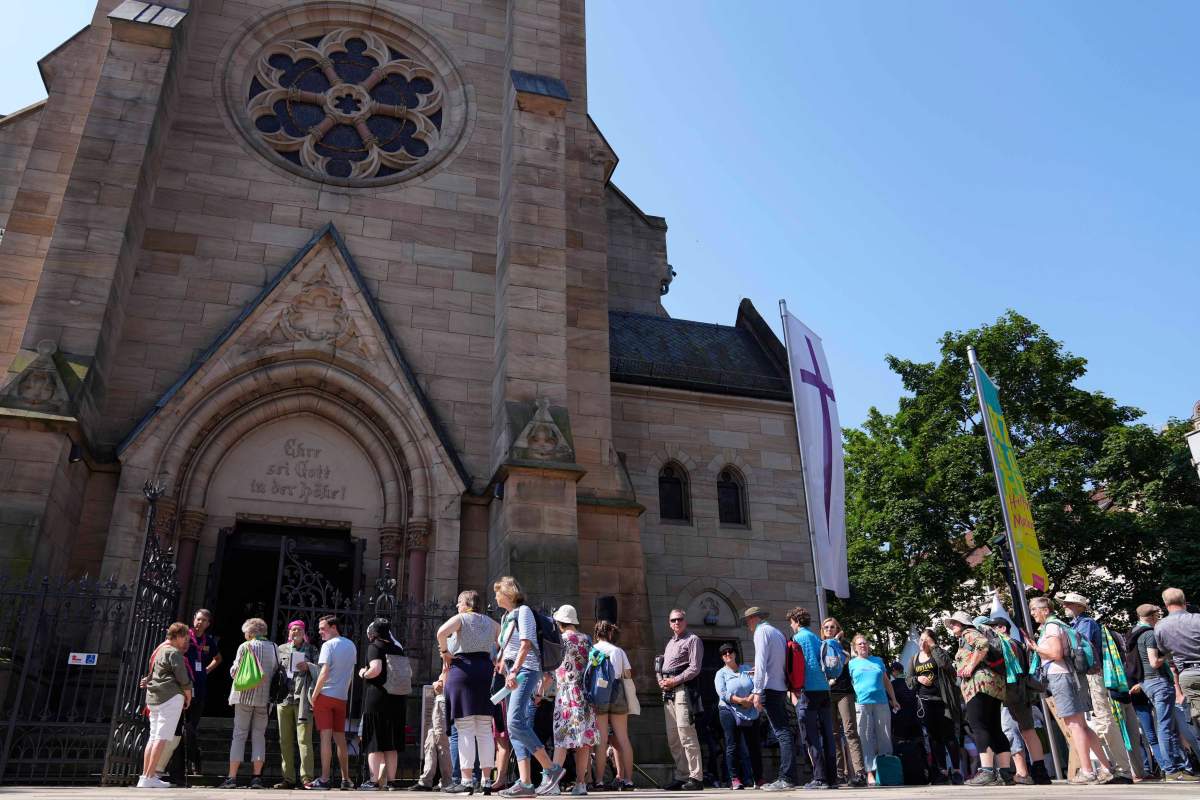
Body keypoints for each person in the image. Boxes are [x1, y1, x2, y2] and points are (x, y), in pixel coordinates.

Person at [1026, 596, 1115, 785]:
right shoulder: (1060, 625)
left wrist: (1036, 648)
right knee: (1081, 725)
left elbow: (1056, 654)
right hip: (1072, 677)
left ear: (1045, 610)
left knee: (1074, 725)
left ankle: (1087, 771)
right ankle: (1105, 768)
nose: (1032, 613)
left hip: (1062, 677)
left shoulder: (1051, 627)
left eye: (1034, 609)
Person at [494, 577, 562, 798]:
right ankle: (525, 783)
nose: (495, 596)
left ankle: (551, 770)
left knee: (515, 722)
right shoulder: (506, 616)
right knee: (515, 728)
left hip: (525, 671)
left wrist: (514, 671)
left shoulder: (523, 612)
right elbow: (510, 646)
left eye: (497, 592)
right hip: (511, 673)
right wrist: (504, 664)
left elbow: (526, 643)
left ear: (507, 593)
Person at [1057, 591, 1135, 782]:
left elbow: (1079, 650)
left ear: (1080, 607)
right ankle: (1115, 768)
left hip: (1093, 676)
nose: (1064, 607)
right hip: (1090, 677)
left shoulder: (1086, 624)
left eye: (1068, 604)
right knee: (1100, 721)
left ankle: (1121, 769)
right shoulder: (1080, 624)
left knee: (1104, 720)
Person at [438, 589, 501, 793]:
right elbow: (504, 641)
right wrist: (499, 660)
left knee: (464, 728)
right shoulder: (491, 623)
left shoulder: (461, 618)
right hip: (485, 671)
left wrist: (445, 652)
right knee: (484, 728)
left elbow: (441, 633)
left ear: (467, 603)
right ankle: (486, 781)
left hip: (463, 670)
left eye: (459, 602)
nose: (457, 606)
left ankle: (466, 781)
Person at [1130, 602, 1198, 781]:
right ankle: (1172, 770)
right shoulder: (1150, 634)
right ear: (1152, 617)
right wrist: (1169, 653)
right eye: (1157, 616)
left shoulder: (1135, 632)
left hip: (1148, 683)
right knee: (1166, 726)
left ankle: (1182, 767)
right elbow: (1154, 662)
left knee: (1169, 725)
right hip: (1158, 681)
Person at [942, 611, 1011, 786]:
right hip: (994, 685)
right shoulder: (969, 635)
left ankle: (987, 771)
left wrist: (970, 666)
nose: (952, 627)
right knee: (995, 728)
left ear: (964, 624)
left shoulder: (969, 633)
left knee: (979, 726)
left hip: (978, 685)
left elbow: (982, 644)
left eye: (955, 623)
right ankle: (1005, 773)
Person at [985, 616, 1051, 785]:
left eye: (993, 628)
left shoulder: (1003, 644)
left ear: (1002, 628)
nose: (989, 631)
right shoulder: (1018, 644)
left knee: (1011, 733)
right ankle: (1039, 771)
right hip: (1022, 692)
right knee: (1028, 731)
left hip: (1009, 693)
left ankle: (1022, 773)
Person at [542, 605, 597, 796]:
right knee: (583, 742)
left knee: (561, 740)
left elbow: (550, 672)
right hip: (585, 695)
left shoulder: (560, 640)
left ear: (559, 622)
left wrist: (540, 692)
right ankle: (580, 784)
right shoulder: (587, 640)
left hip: (566, 694)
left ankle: (554, 784)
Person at [219, 617, 278, 790]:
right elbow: (276, 670)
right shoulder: (274, 648)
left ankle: (232, 778)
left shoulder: (245, 647)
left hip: (244, 696)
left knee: (239, 734)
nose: (244, 634)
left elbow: (235, 671)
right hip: (264, 698)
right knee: (259, 735)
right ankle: (257, 778)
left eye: (246, 631)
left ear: (251, 632)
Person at [741, 607, 796, 791]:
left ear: (755, 618)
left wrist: (757, 690)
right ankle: (787, 776)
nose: (747, 624)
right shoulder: (777, 632)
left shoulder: (761, 632)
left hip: (770, 688)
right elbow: (776, 662)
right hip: (780, 687)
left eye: (748, 620)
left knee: (782, 732)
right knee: (784, 732)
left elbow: (761, 660)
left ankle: (786, 778)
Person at [786, 606, 837, 790]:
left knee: (811, 736)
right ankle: (832, 779)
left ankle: (820, 779)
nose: (791, 626)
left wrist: (794, 689)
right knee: (828, 735)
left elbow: (796, 668)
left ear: (796, 621)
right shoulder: (816, 637)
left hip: (808, 690)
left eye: (791, 622)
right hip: (824, 689)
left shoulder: (798, 638)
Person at [138, 622, 193, 789]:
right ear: (177, 636)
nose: (186, 641)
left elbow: (152, 674)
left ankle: (146, 776)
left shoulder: (160, 650)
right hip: (170, 697)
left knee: (153, 737)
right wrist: (188, 694)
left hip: (154, 698)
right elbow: (182, 677)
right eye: (184, 637)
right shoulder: (173, 652)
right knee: (161, 738)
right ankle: (149, 776)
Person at [906, 628, 963, 784]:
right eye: (921, 640)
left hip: (943, 700)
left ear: (932, 640)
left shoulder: (939, 653)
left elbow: (946, 666)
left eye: (926, 639)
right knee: (934, 738)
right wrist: (918, 679)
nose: (922, 642)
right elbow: (909, 680)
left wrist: (934, 647)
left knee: (949, 736)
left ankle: (957, 771)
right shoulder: (914, 658)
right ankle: (942, 771)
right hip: (925, 701)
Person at [309, 614, 358, 790]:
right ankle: (346, 779)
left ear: (333, 627)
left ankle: (324, 779)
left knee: (325, 738)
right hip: (341, 698)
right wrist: (344, 692)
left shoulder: (328, 645)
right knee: (340, 739)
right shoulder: (351, 645)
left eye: (323, 628)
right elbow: (350, 674)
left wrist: (314, 696)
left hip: (326, 696)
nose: (320, 632)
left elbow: (324, 673)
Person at [657, 608, 704, 791]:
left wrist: (674, 680)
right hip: (668, 691)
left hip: (683, 689)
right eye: (673, 620)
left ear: (685, 621)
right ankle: (682, 775)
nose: (676, 623)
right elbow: (662, 668)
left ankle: (696, 777)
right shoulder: (670, 643)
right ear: (669, 623)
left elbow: (695, 668)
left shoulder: (693, 640)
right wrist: (661, 681)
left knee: (686, 733)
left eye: (680, 619)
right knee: (673, 737)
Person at [358, 618, 407, 790]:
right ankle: (392, 781)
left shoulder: (375, 647)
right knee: (391, 743)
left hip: (378, 699)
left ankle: (374, 781)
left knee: (375, 741)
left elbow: (376, 669)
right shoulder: (398, 649)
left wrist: (363, 673)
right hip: (397, 699)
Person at [846, 635, 899, 786]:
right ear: (855, 647)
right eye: (859, 644)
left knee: (885, 736)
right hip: (861, 703)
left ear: (868, 646)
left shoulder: (878, 661)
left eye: (865, 643)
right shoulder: (851, 664)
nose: (863, 645)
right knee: (865, 738)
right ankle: (870, 772)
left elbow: (887, 682)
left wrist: (893, 699)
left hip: (881, 702)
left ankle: (886, 769)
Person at [820, 618, 865, 787]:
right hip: (827, 693)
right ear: (822, 630)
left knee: (850, 731)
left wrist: (836, 642)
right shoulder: (820, 645)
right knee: (833, 735)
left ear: (838, 628)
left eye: (832, 627)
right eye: (826, 627)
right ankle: (839, 774)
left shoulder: (843, 644)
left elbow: (843, 661)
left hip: (844, 691)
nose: (829, 629)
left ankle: (859, 773)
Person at [591, 620, 635, 791]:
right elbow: (627, 674)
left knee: (601, 740)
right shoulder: (618, 651)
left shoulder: (592, 650)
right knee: (623, 738)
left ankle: (600, 781)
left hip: (599, 694)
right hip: (617, 692)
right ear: (610, 633)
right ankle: (629, 780)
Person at [275, 619, 319, 790]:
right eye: (293, 629)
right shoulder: (281, 649)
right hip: (284, 699)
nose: (296, 632)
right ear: (289, 632)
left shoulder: (312, 649)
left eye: (299, 630)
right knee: (284, 740)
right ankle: (288, 778)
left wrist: (308, 666)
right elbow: (275, 670)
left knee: (304, 740)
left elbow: (321, 670)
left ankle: (307, 778)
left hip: (303, 700)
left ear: (304, 632)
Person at [715, 643, 760, 790]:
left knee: (753, 745)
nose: (728, 654)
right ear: (722, 657)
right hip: (729, 711)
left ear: (735, 653)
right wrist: (741, 701)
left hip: (750, 710)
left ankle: (759, 779)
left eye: (730, 651)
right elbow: (723, 693)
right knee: (732, 745)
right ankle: (734, 779)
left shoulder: (747, 669)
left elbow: (757, 684)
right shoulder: (720, 674)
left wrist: (751, 699)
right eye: (724, 653)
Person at [183, 609, 221, 776]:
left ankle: (193, 758)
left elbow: (218, 658)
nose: (200, 623)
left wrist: (206, 670)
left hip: (200, 688)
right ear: (193, 619)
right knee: (184, 728)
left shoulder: (209, 641)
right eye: (198, 619)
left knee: (191, 727)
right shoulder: (185, 636)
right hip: (183, 687)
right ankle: (190, 760)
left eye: (204, 620)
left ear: (208, 624)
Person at [1155, 588, 1200, 725]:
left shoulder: (1160, 627)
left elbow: (1169, 658)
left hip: (1187, 676)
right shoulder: (1198, 619)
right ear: (1184, 601)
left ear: (1165, 604)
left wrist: (1178, 691)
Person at [412, 680, 453, 790]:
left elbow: (444, 686)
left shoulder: (452, 664)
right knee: (429, 743)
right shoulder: (447, 665)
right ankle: (426, 781)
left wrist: (438, 685)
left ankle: (447, 781)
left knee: (442, 744)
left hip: (443, 703)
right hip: (438, 704)